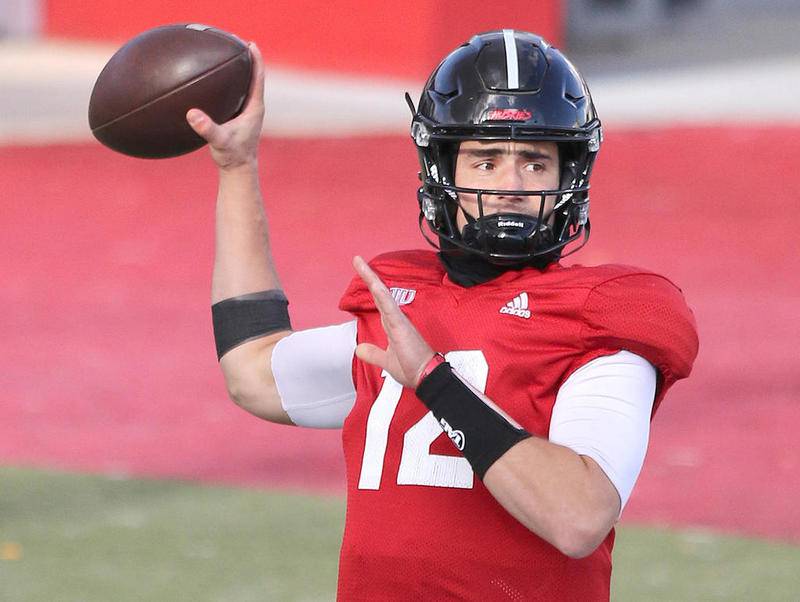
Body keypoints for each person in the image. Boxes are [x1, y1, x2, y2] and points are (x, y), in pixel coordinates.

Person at [187, 30, 698, 601]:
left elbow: (578, 517)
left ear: (569, 178)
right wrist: (236, 167)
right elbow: (252, 372)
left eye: (534, 163)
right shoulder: (402, 304)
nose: (509, 186)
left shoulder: (600, 317)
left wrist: (433, 378)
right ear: (441, 168)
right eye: (485, 160)